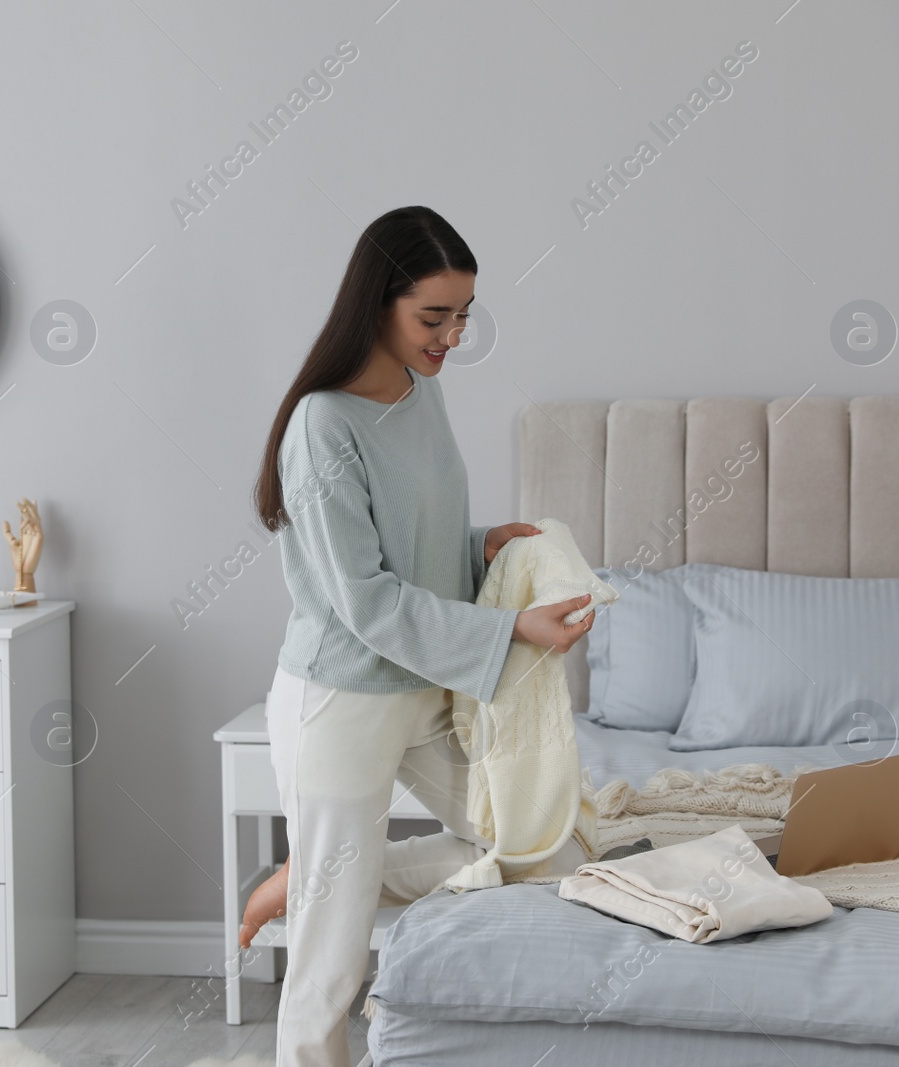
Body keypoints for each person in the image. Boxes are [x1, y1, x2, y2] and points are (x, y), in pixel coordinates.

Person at [247, 205, 594, 1067]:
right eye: (433, 317)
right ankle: (327, 898)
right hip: (342, 701)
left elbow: (414, 542)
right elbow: (363, 599)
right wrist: (511, 625)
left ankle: (320, 877)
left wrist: (484, 545)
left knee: (546, 844)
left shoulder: (420, 389)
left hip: (426, 689)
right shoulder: (322, 425)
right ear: (377, 302)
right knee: (327, 968)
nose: (453, 336)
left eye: (463, 314)